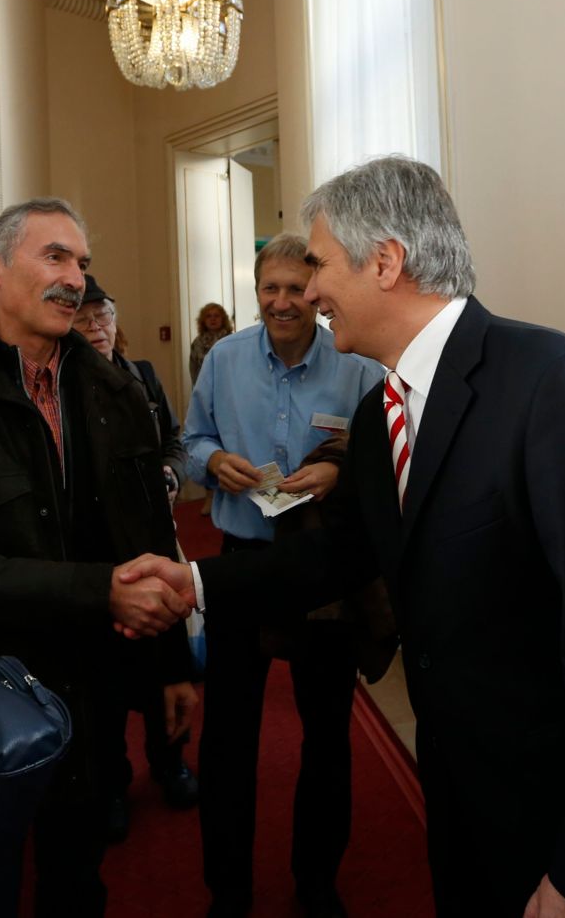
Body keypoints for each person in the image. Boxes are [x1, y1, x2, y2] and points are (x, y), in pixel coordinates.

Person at [121, 157, 565, 918]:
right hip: (468, 796)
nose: (312, 289)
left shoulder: (556, 385)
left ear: (386, 261)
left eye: (320, 264)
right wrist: (195, 584)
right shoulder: (377, 417)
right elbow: (339, 555)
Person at [0, 198, 197, 918]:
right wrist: (98, 592)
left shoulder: (120, 389)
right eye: (55, 256)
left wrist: (171, 667)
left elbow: (148, 535)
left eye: (82, 262)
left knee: (78, 876)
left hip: (100, 684)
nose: (75, 278)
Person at [182, 232, 386, 918]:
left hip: (321, 570)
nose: (282, 301)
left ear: (317, 292)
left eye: (296, 288)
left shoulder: (355, 365)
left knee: (328, 733)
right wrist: (213, 463)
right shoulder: (225, 359)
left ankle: (317, 881)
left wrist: (338, 468)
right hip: (243, 563)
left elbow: (382, 453)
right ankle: (228, 891)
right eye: (270, 288)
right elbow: (191, 440)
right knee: (228, 735)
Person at [72, 274, 200, 837]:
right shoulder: (63, 386)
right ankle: (113, 782)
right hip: (96, 551)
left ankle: (170, 761)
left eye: (104, 316)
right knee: (105, 669)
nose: (96, 327)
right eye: (83, 318)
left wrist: (172, 471)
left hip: (154, 537)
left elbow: (175, 440)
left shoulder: (143, 377)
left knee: (164, 651)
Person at [189, 301, 234, 383]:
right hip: (204, 385)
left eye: (216, 316)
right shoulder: (197, 343)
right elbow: (193, 369)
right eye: (208, 316)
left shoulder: (232, 340)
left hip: (228, 384)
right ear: (203, 320)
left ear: (223, 319)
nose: (212, 319)